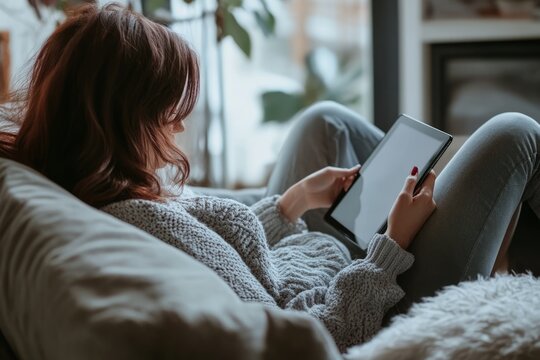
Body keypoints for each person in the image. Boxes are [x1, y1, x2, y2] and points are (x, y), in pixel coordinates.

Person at [0, 4, 538, 352]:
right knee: (515, 133)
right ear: (124, 116)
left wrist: (291, 204)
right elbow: (325, 333)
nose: (180, 123)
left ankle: (441, 201)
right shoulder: (137, 218)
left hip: (310, 259)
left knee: (323, 119)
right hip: (372, 296)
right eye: (168, 108)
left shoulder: (103, 178)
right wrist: (393, 244)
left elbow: (226, 253)